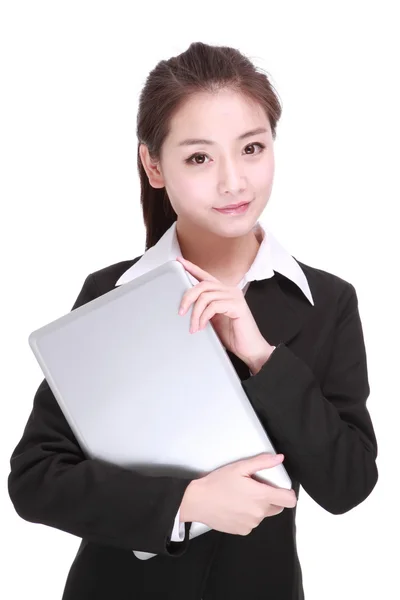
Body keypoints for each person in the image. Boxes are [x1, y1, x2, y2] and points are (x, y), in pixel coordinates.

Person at [7, 41, 378, 600]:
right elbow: (36, 478)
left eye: (252, 148)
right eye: (200, 157)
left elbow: (348, 483)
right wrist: (185, 502)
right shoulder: (110, 293)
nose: (233, 181)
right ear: (153, 166)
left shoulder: (326, 302)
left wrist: (262, 357)